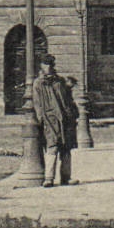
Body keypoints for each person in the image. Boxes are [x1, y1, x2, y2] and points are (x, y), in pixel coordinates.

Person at [30, 55, 79, 188]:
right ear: (41, 66)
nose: (49, 67)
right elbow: (37, 103)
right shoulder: (38, 83)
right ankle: (49, 178)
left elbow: (67, 99)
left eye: (51, 64)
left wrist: (72, 114)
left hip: (65, 119)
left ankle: (66, 177)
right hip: (50, 119)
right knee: (52, 147)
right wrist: (42, 119)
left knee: (66, 148)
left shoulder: (60, 81)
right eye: (46, 64)